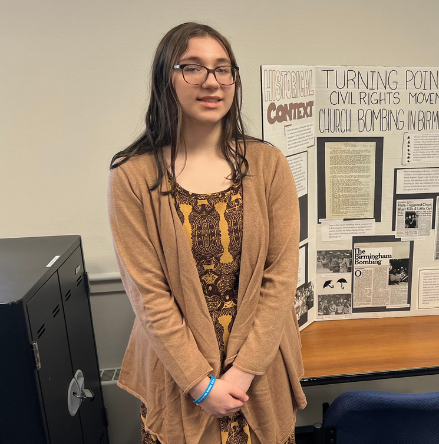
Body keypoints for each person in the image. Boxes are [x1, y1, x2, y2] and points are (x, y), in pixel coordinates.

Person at [107, 23, 304, 444]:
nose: (212, 82)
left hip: (260, 373)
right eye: (193, 68)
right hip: (177, 376)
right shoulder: (133, 175)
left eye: (223, 69)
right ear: (166, 78)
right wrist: (200, 384)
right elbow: (148, 294)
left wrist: (244, 371)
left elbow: (281, 277)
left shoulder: (268, 165)